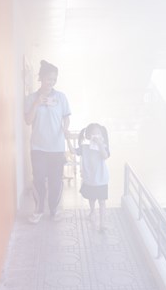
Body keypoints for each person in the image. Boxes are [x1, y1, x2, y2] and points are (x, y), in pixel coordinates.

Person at [24, 60, 71, 224]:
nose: (51, 82)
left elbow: (66, 117)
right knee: (38, 178)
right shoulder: (31, 98)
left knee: (55, 180)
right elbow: (28, 121)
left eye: (54, 79)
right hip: (38, 147)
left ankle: (54, 210)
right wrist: (37, 103)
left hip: (56, 147)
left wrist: (65, 128)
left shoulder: (61, 97)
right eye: (49, 79)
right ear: (41, 78)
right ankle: (38, 210)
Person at [69, 123, 110, 231]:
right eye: (94, 133)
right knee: (92, 199)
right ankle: (92, 211)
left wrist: (100, 145)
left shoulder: (103, 147)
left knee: (102, 201)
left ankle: (102, 224)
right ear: (88, 136)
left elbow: (105, 156)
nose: (96, 136)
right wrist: (68, 139)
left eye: (98, 133)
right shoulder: (84, 148)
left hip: (102, 180)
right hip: (90, 180)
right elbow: (73, 151)